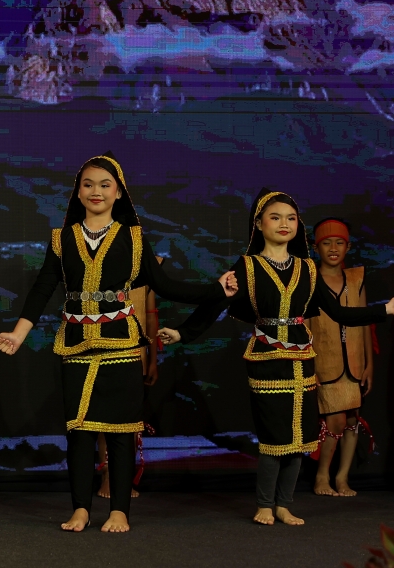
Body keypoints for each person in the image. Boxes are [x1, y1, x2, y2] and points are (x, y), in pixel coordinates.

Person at [0, 153, 236, 533]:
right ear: (77, 192)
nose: (96, 191)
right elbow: (43, 287)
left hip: (122, 344)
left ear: (119, 192)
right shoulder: (62, 239)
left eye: (105, 185)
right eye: (87, 184)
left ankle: (119, 510)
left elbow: (167, 286)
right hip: (74, 345)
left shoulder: (133, 238)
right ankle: (81, 509)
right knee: (80, 430)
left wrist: (214, 290)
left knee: (121, 430)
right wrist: (19, 332)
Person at [159, 190, 393, 526]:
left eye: (291, 218)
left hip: (302, 356)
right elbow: (217, 303)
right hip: (267, 356)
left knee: (300, 435)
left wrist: (383, 310)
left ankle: (284, 503)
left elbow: (340, 312)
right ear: (259, 223)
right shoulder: (248, 266)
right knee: (274, 433)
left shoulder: (307, 269)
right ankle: (265, 504)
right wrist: (183, 333)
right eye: (275, 217)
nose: (284, 224)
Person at [308, 218, 377, 497]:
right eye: (327, 243)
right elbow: (308, 327)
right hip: (326, 362)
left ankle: (343, 477)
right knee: (334, 421)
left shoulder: (356, 280)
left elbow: (365, 323)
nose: (333, 248)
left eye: (339, 243)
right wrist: (308, 366)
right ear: (317, 247)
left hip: (355, 362)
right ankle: (322, 476)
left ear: (347, 246)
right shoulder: (311, 281)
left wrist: (369, 364)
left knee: (351, 420)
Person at [97, 273, 160, 499]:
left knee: (131, 420)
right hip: (102, 344)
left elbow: (151, 316)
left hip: (136, 350)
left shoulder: (148, 266)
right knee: (103, 415)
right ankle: (106, 474)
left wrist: (152, 360)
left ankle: (122, 477)